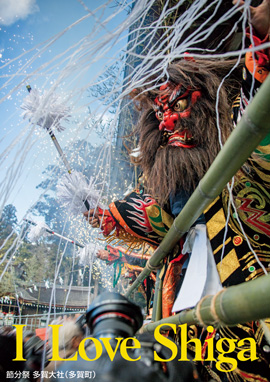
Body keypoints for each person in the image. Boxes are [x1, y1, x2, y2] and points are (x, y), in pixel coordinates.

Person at [84, 1, 270, 380]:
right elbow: (160, 213)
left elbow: (258, 110)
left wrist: (261, 39)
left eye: (178, 104)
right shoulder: (173, 170)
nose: (167, 120)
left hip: (248, 265)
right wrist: (108, 215)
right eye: (158, 113)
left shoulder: (233, 119)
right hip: (185, 284)